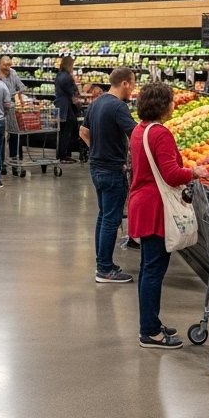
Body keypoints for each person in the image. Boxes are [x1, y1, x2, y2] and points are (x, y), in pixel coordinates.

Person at [128, 82, 209, 349]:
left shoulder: (140, 130)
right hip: (156, 207)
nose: (174, 104)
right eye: (171, 101)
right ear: (163, 105)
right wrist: (194, 172)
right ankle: (149, 332)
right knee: (153, 270)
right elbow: (171, 174)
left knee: (148, 268)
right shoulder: (161, 133)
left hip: (143, 202)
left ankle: (150, 322)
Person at [79, 67, 137, 284]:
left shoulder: (97, 103)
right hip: (113, 169)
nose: (132, 88)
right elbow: (136, 135)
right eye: (132, 84)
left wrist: (98, 149)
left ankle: (103, 262)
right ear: (124, 83)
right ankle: (104, 270)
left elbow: (83, 132)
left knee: (104, 217)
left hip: (96, 168)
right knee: (111, 220)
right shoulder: (118, 107)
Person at [0, 54, 27, 164]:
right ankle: (1, 162)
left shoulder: (13, 73)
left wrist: (20, 93)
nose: (7, 67)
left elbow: (21, 86)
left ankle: (14, 160)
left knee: (14, 134)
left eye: (9, 65)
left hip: (12, 109)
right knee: (0, 136)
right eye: (5, 65)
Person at [54, 55, 80, 164]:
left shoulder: (59, 75)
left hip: (60, 105)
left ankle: (64, 154)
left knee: (65, 130)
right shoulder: (66, 77)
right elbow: (71, 92)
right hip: (66, 106)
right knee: (67, 130)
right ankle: (63, 155)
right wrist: (77, 100)